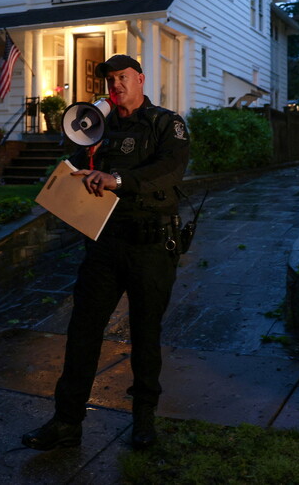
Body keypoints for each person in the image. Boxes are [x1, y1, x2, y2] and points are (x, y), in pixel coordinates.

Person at [22, 54, 190, 452]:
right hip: (104, 244)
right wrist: (75, 170)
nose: (116, 86)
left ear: (140, 79)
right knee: (82, 331)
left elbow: (170, 170)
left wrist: (116, 179)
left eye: (123, 78)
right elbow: (77, 165)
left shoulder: (166, 123)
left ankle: (144, 419)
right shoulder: (98, 126)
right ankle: (67, 422)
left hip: (150, 244)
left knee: (145, 333)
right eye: (111, 80)